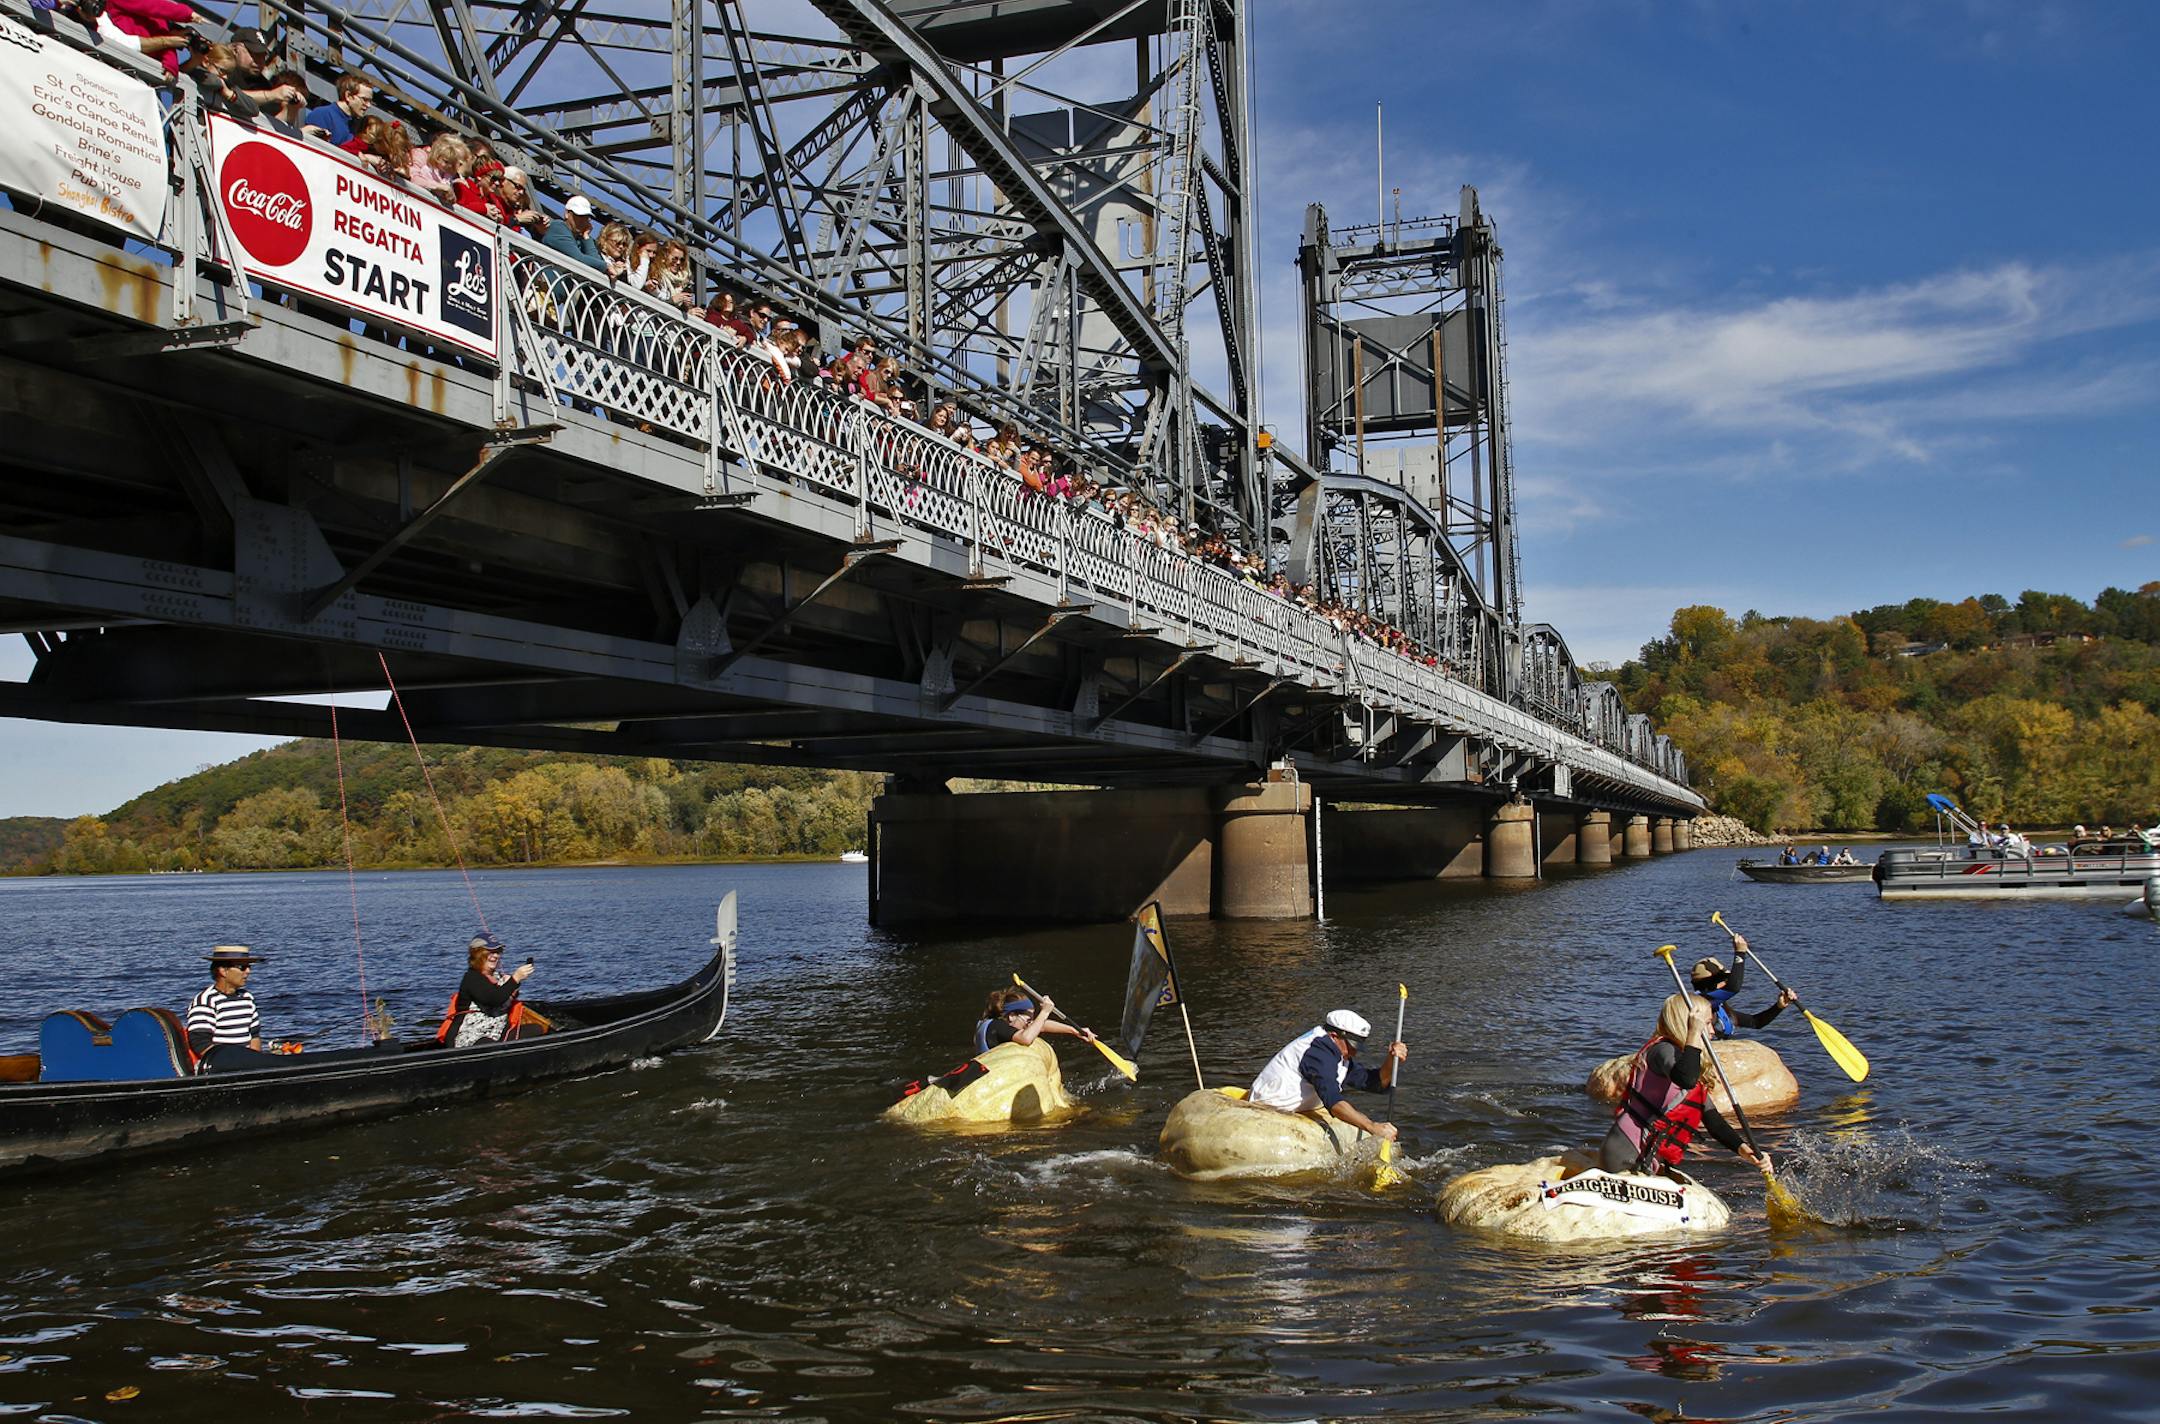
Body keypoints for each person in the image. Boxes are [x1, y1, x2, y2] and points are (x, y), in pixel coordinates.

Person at [1600, 993, 1773, 1178]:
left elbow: (1713, 1121)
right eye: (1707, 1023)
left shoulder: (1685, 1060)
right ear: (1689, 1023)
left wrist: (1744, 1150)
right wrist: (1694, 1034)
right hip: (1625, 1153)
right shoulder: (1662, 1050)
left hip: (1649, 1156)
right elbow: (1685, 1079)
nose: (1713, 1031)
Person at [1246, 1009, 1407, 1142]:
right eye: (1352, 1046)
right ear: (1334, 1036)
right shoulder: (1318, 1053)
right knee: (1363, 1122)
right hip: (1268, 1110)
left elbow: (1375, 1083)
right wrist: (1372, 1126)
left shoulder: (1339, 1054)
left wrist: (1392, 1060)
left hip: (1299, 1109)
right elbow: (1333, 1101)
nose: (1354, 1052)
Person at [186, 946, 287, 1072]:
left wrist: (255, 1063)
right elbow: (200, 1044)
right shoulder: (206, 1001)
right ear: (223, 970)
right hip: (220, 1069)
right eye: (242, 967)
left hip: (246, 1066)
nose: (248, 971)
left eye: (249, 967)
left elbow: (254, 1036)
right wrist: (231, 1063)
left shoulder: (247, 998)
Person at [437, 933, 535, 1047]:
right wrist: (515, 979)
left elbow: (502, 1000)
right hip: (468, 1038)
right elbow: (493, 999)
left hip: (495, 1034)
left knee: (536, 1029)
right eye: (490, 952)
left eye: (498, 952)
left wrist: (512, 988)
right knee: (488, 1045)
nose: (495, 956)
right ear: (477, 954)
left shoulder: (498, 977)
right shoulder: (471, 978)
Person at [1688, 935, 1797, 1038]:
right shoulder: (1701, 1002)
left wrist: (1778, 1007)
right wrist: (1740, 953)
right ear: (1707, 985)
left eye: (1727, 980)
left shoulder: (1719, 1008)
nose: (1726, 983)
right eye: (1723, 980)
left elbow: (1755, 1022)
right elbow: (1733, 987)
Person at [972, 988, 1096, 1055]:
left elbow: (1040, 1026)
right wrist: (1045, 1012)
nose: (1030, 1024)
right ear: (1012, 1016)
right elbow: (1026, 1038)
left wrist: (1075, 1031)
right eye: (1028, 1020)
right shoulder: (997, 1026)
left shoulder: (994, 1023)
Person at [303, 73, 375, 146]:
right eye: (364, 99)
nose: (368, 105)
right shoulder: (323, 115)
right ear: (348, 96)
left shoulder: (356, 124)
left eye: (370, 101)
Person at [539, 195, 606, 270]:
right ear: (567, 214)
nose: (583, 221)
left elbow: (596, 263)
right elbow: (578, 259)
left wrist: (586, 237)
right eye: (579, 216)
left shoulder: (581, 239)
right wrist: (606, 267)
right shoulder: (558, 227)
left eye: (586, 217)